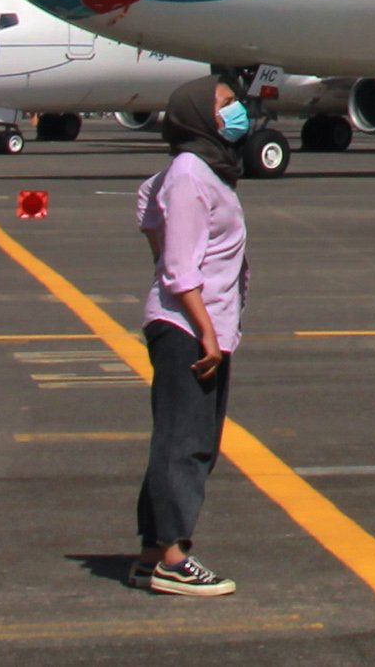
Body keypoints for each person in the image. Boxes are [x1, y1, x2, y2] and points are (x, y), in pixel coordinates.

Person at [130, 75, 249, 597]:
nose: (236, 110)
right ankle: (173, 560)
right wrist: (204, 330)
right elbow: (178, 266)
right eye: (225, 104)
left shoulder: (202, 171)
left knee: (186, 439)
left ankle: (152, 552)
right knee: (185, 442)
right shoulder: (189, 174)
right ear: (199, 114)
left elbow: (144, 208)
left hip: (206, 323)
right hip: (188, 326)